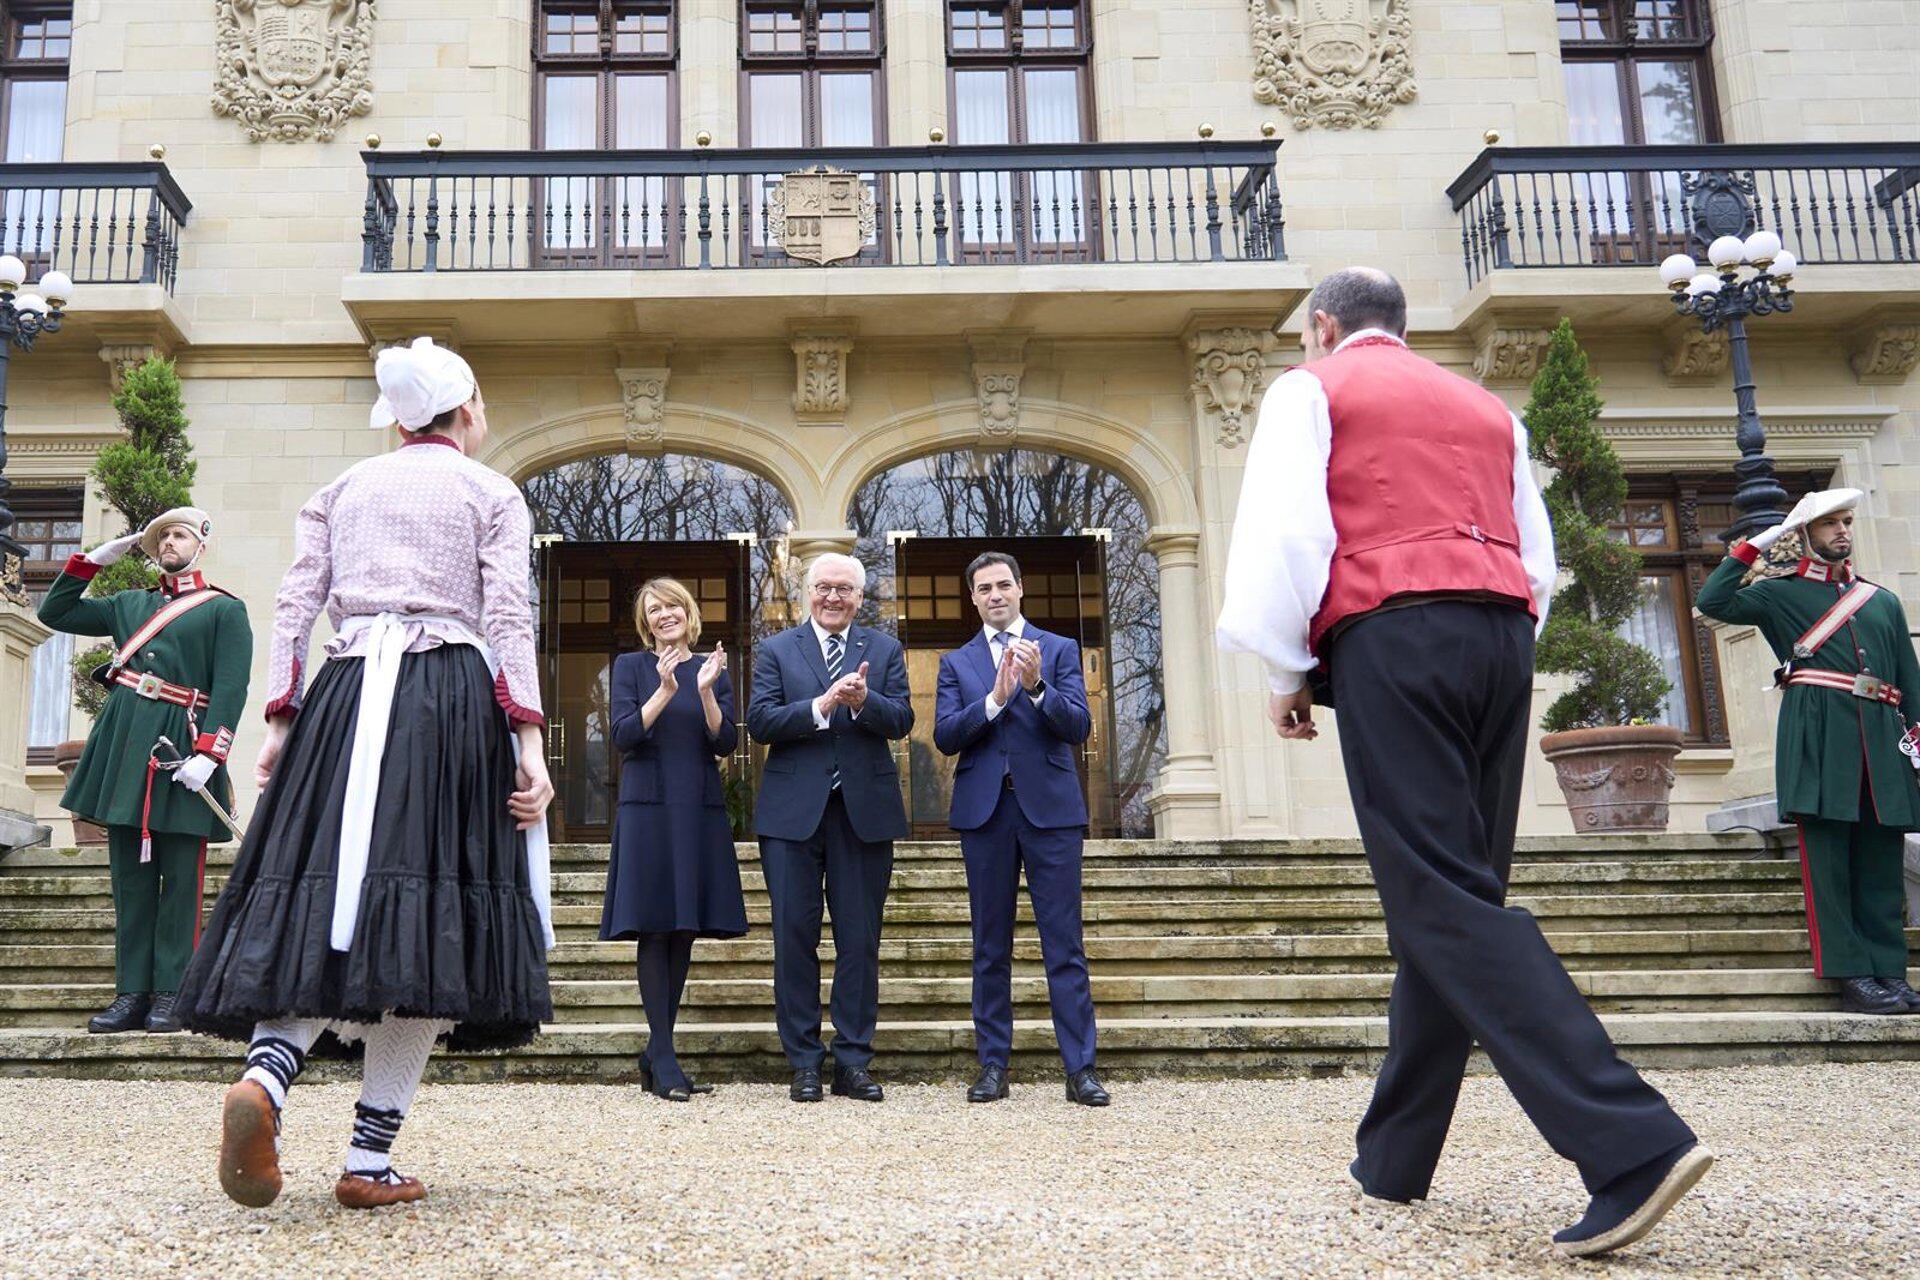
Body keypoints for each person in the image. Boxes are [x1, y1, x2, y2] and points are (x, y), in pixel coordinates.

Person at [1216, 268, 1709, 1259]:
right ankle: (1395, 1156)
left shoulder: (1309, 388)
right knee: (1457, 888)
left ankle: (1630, 1142)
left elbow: (1288, 531)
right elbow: (1538, 553)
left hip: (1395, 632)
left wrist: (1286, 668)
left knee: (1439, 895)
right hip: (1499, 633)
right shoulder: (1486, 405)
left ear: (1323, 327)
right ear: (1402, 325)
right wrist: (1503, 633)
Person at [176, 336, 556, 1210]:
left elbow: (294, 601)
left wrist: (280, 720)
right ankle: (368, 1158)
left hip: (344, 696)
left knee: (323, 900)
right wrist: (529, 742)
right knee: (436, 918)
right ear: (464, 412)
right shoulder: (489, 490)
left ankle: (267, 1081)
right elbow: (506, 614)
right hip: (449, 695)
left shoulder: (341, 489)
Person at [1694, 488, 1920, 1016]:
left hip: (1881, 746)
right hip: (1820, 739)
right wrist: (1756, 546)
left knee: (1882, 865)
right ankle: (1852, 976)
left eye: (1846, 522)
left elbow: (1910, 683)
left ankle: (1890, 972)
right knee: (1829, 866)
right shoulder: (1779, 595)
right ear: (1804, 535)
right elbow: (1712, 603)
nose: (1843, 530)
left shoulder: (1881, 601)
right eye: (1830, 524)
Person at [37, 507, 252, 1035]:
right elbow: (54, 613)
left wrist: (211, 752)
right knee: (129, 880)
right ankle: (130, 994)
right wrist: (90, 562)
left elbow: (231, 685)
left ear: (201, 543)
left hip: (181, 747)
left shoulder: (224, 609)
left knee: (180, 881)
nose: (169, 543)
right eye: (161, 538)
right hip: (125, 749)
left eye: (179, 534)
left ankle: (172, 994)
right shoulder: (129, 604)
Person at [933, 551, 1106, 1106]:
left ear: (1021, 589)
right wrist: (995, 700)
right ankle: (992, 1066)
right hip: (985, 815)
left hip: (1051, 812)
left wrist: (1035, 688)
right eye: (984, 588)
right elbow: (945, 736)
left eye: (1003, 585)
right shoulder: (957, 663)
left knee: (1064, 945)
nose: (995, 595)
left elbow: (1077, 725)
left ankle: (1080, 1069)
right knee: (989, 947)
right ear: (974, 598)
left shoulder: (1056, 650)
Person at [746, 551, 912, 1103]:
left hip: (863, 814)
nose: (833, 597)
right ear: (807, 594)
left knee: (859, 942)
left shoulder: (884, 650)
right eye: (824, 587)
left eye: (845, 589)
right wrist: (819, 706)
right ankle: (804, 1064)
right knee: (794, 940)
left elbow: (904, 719)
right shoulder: (775, 649)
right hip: (793, 816)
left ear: (861, 597)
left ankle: (853, 1063)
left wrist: (865, 703)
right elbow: (762, 722)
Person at [599, 577, 749, 1101]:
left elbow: (725, 739)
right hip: (647, 808)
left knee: (683, 926)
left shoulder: (711, 667)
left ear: (688, 612)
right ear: (646, 622)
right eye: (654, 609)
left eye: (672, 606)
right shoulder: (632, 667)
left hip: (697, 806)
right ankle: (663, 1055)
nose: (665, 614)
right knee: (654, 927)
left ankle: (656, 1052)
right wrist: (664, 691)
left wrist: (705, 690)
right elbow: (623, 736)